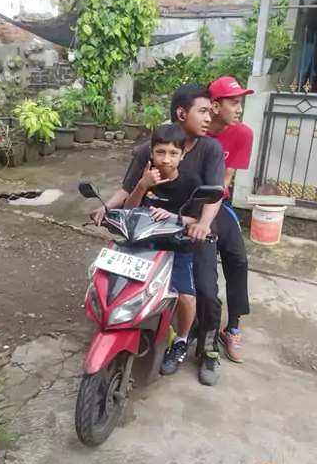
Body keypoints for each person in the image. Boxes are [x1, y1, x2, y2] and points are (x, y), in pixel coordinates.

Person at [93, 84, 225, 386]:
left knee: (201, 292)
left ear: (181, 155)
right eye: (203, 111)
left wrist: (200, 224)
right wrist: (106, 207)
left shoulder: (206, 156)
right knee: (118, 273)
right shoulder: (147, 154)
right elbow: (129, 193)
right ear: (182, 113)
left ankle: (199, 346)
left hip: (189, 231)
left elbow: (210, 199)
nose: (210, 117)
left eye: (173, 153)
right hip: (149, 234)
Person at [123, 123, 200, 375]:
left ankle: (181, 340)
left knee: (186, 297)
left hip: (177, 247)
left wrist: (172, 217)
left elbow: (196, 219)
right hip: (145, 243)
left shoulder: (191, 182)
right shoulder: (146, 175)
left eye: (173, 153)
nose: (166, 159)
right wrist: (142, 185)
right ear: (151, 152)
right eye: (160, 152)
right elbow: (129, 210)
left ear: (182, 155)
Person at [207, 76, 254, 364]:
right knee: (202, 263)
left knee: (237, 258)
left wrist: (208, 214)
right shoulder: (196, 129)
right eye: (234, 103)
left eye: (240, 103)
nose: (239, 109)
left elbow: (225, 181)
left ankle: (232, 328)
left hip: (217, 202)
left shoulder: (243, 134)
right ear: (215, 106)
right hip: (187, 203)